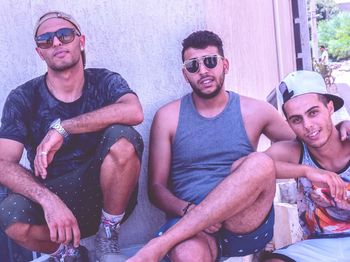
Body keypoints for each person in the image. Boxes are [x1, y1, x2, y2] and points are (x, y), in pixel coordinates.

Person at [127, 31, 350, 262]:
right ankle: (168, 243)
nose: (203, 70)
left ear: (225, 65)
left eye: (211, 61)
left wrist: (341, 124)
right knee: (185, 254)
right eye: (193, 66)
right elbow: (156, 188)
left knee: (260, 163)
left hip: (245, 222)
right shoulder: (168, 117)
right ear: (185, 74)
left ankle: (156, 247)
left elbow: (308, 137)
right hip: (192, 222)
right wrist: (186, 209)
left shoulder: (256, 111)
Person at [0, 11, 144, 262]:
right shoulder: (23, 97)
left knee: (123, 137)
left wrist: (63, 128)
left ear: (81, 41)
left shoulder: (104, 81)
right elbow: (3, 163)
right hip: (54, 201)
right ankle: (70, 253)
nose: (56, 43)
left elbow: (134, 111)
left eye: (64, 35)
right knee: (9, 215)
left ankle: (108, 235)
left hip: (105, 195)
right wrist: (48, 200)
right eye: (46, 40)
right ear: (39, 52)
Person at [261, 70, 350, 262]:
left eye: (313, 112)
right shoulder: (294, 152)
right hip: (318, 246)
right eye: (296, 119)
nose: (308, 125)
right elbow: (244, 169)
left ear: (330, 107)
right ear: (289, 124)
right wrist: (307, 171)